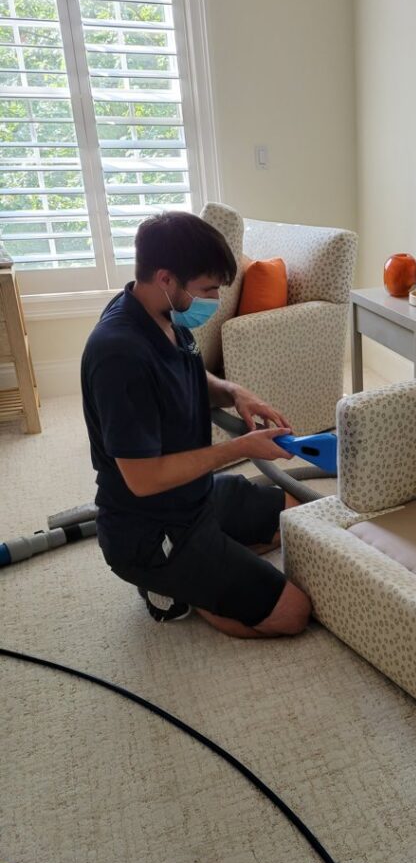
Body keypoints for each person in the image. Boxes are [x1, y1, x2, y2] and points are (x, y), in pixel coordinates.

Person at [81, 211, 311, 638]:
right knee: (292, 613)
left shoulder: (160, 313)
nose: (215, 301)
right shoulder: (118, 355)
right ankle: (172, 585)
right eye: (208, 289)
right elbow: (144, 479)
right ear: (166, 278)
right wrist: (242, 448)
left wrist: (233, 391)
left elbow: (183, 371)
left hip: (195, 498)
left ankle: (206, 565)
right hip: (150, 529)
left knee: (295, 516)